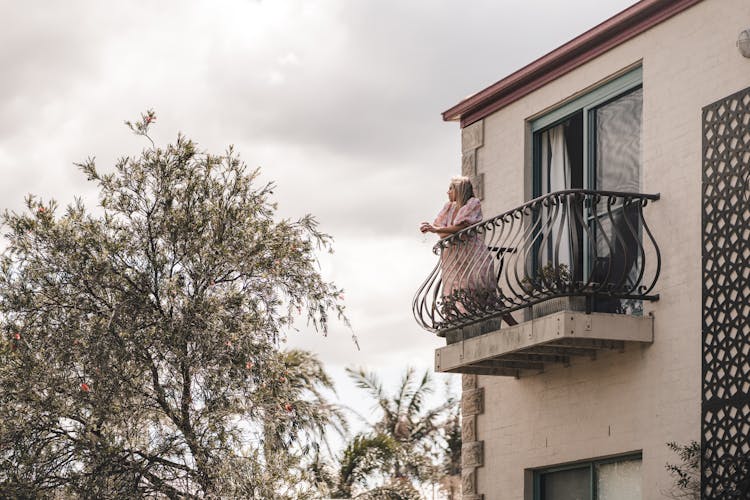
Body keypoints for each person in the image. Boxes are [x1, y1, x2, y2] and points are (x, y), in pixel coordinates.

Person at [420, 176, 517, 326]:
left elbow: (461, 228)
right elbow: (444, 234)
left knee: (482, 290)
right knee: (457, 293)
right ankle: (462, 324)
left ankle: (512, 323)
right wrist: (441, 230)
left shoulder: (472, 204)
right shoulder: (449, 208)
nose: (447, 192)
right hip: (454, 257)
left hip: (472, 253)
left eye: (451, 188)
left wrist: (440, 229)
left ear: (459, 189)